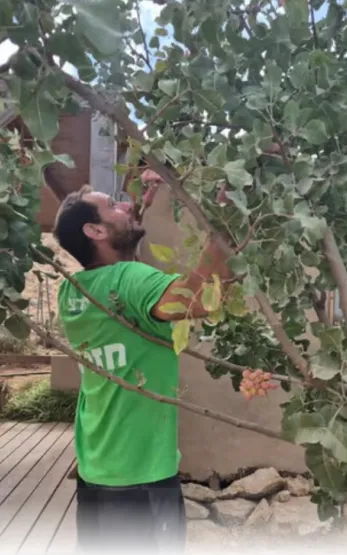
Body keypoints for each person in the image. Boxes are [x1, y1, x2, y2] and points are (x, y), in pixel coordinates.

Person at [53, 170, 234, 554]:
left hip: (97, 468)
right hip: (140, 474)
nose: (125, 206)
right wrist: (225, 218)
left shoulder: (72, 292)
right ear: (95, 231)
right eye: (113, 205)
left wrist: (137, 209)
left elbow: (116, 265)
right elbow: (199, 300)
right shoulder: (131, 280)